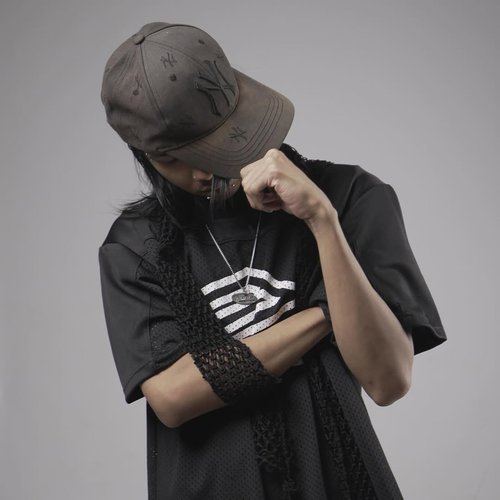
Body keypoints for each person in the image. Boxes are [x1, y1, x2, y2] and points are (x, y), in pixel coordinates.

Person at [98, 21, 447, 500]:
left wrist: (322, 220)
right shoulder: (137, 245)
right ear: (142, 154)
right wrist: (325, 312)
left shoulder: (349, 198)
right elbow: (173, 398)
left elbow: (388, 380)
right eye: (171, 158)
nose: (198, 171)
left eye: (205, 144)